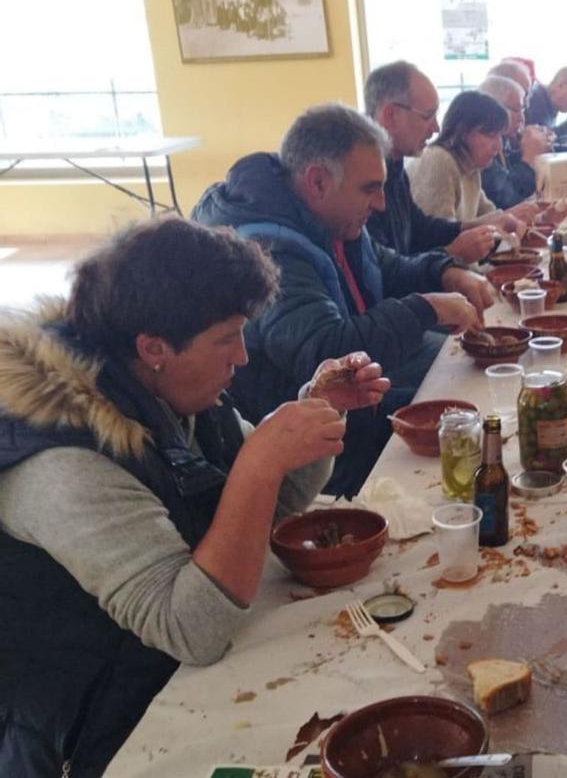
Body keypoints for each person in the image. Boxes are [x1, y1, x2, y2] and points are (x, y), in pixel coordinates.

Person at [0, 219, 388, 777]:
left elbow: (265, 517)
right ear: (154, 347)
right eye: (226, 338)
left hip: (163, 669)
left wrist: (315, 412)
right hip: (87, 729)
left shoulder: (163, 386)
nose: (243, 358)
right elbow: (190, 629)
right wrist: (258, 465)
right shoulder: (63, 464)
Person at [193, 103, 489, 496]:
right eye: (370, 188)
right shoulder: (267, 249)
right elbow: (326, 352)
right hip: (306, 430)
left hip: (356, 384)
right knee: (465, 411)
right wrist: (427, 307)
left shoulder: (325, 215)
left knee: (467, 376)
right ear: (317, 182)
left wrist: (444, 271)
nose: (382, 203)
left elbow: (385, 264)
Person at [364, 60, 530, 263]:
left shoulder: (395, 164)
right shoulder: (435, 161)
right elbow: (386, 273)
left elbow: (421, 227)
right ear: (390, 115)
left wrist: (480, 226)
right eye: (428, 116)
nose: (435, 128)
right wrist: (452, 254)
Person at [406, 90, 539, 224]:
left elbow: (490, 214)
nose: (498, 147)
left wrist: (537, 217)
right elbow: (441, 236)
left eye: (500, 136)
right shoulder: (438, 160)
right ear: (463, 132)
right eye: (491, 135)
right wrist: (507, 218)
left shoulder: (470, 166)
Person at [478, 74, 551, 209]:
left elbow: (510, 174)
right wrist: (529, 159)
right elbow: (507, 200)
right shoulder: (482, 145)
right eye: (516, 110)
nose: (522, 118)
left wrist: (539, 149)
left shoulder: (505, 140)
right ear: (494, 106)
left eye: (523, 110)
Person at [524, 66, 567, 137]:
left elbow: (549, 132)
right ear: (559, 86)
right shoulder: (536, 99)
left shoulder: (549, 102)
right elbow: (540, 140)